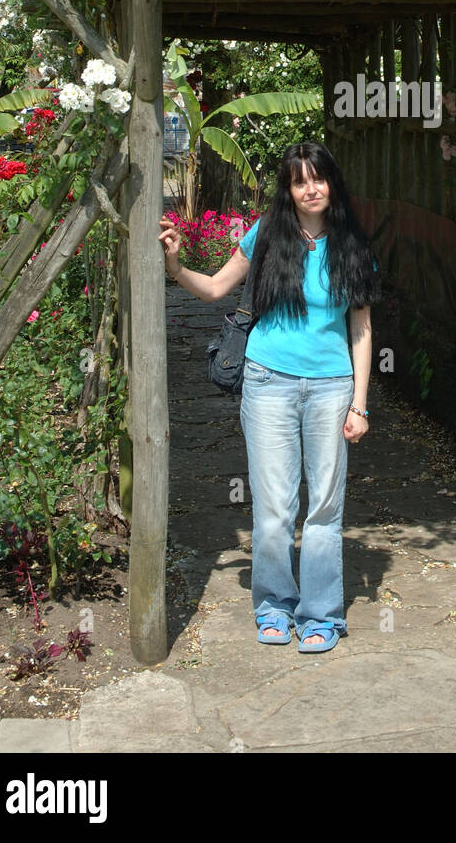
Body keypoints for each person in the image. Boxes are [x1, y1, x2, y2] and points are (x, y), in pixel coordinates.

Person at [158, 141, 380, 654]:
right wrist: (175, 267)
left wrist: (359, 404)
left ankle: (321, 614)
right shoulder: (266, 235)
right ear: (288, 188)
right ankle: (274, 607)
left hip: (331, 388)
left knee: (324, 507)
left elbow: (362, 329)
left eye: (318, 178)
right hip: (267, 385)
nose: (310, 189)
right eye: (299, 180)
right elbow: (214, 289)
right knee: (276, 507)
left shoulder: (352, 244)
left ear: (332, 183)